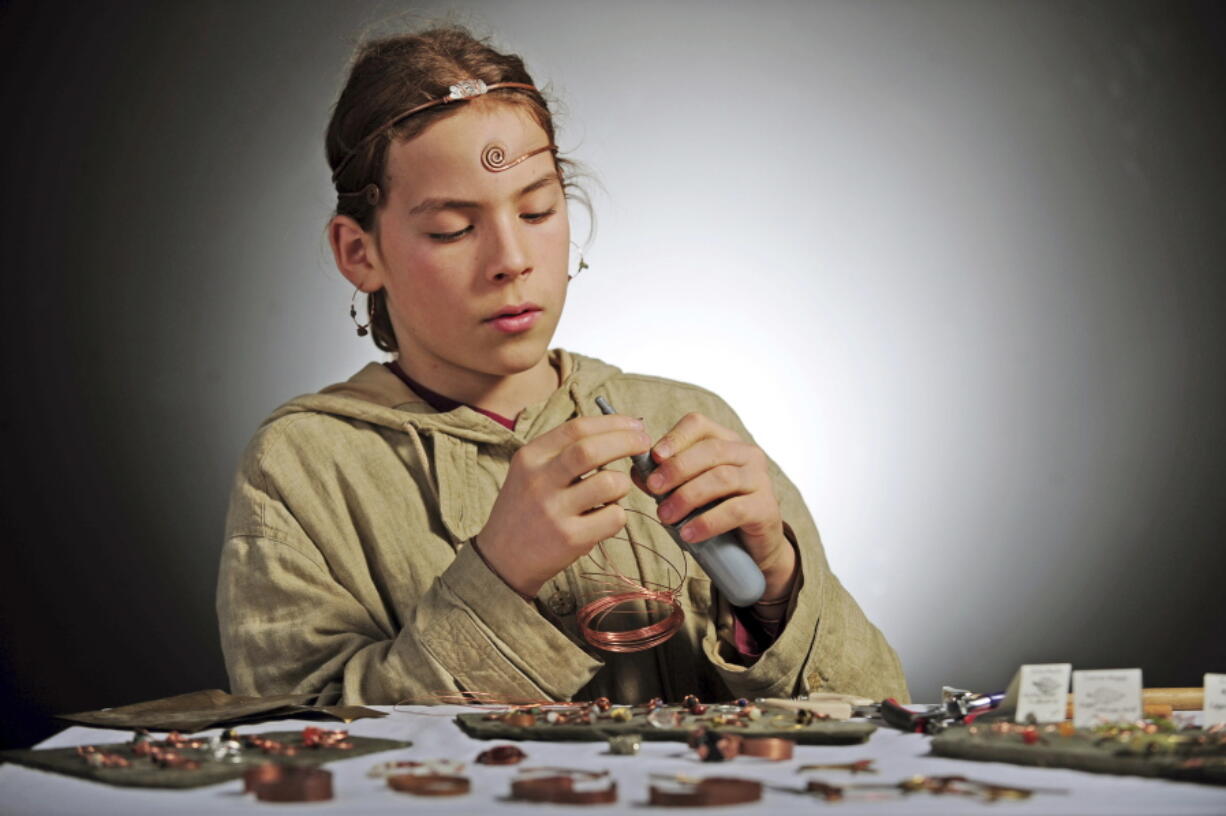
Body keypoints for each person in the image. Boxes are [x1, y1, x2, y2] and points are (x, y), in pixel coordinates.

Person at [217, 26, 908, 706]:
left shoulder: (684, 421)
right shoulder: (304, 466)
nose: (512, 259)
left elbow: (882, 713)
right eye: (453, 229)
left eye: (539, 210)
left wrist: (778, 591)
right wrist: (498, 574)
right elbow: (294, 751)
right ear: (359, 252)